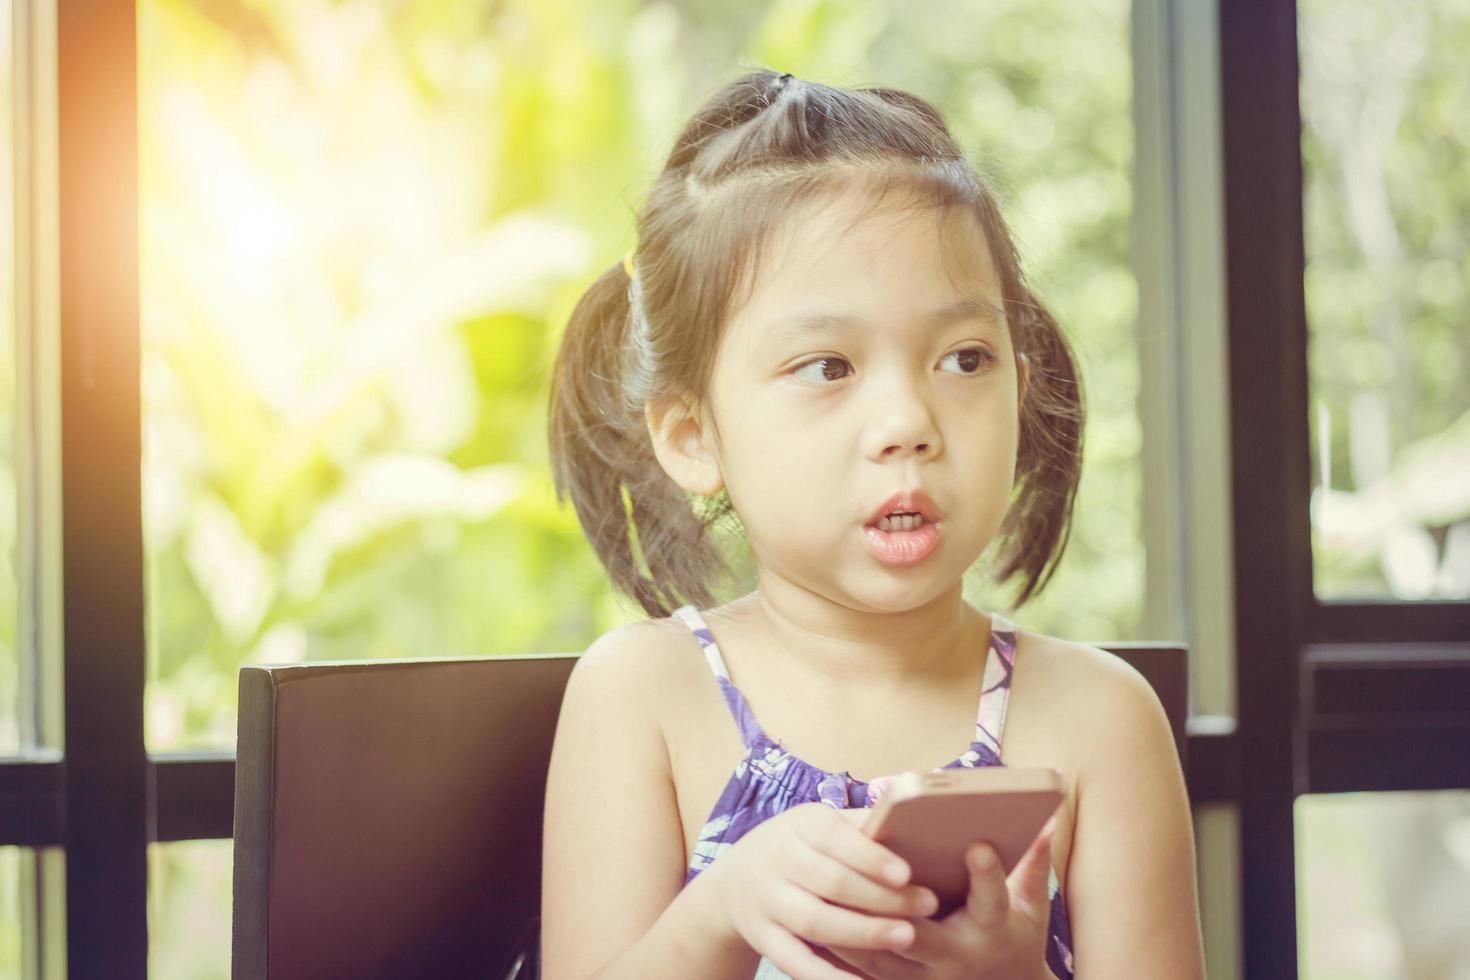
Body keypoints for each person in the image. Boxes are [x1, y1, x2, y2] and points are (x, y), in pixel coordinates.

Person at [541, 67, 1204, 980]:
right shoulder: (645, 696)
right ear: (693, 436)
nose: (908, 424)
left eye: (964, 358)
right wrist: (723, 913)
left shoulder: (1099, 720)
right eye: (828, 367)